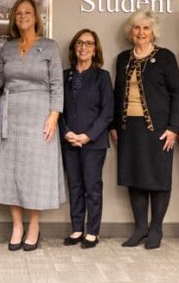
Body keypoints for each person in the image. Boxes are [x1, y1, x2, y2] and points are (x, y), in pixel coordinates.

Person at [0, 0, 65, 251]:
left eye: (28, 12)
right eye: (19, 12)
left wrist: (54, 115)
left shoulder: (49, 46)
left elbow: (57, 84)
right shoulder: (8, 49)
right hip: (10, 114)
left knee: (35, 171)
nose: (23, 16)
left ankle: (34, 225)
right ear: (14, 18)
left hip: (40, 115)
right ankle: (17, 225)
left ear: (36, 16)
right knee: (11, 171)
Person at [110, 9, 179, 249]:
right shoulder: (123, 59)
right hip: (128, 128)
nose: (141, 32)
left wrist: (173, 127)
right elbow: (116, 94)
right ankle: (140, 227)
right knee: (135, 177)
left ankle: (156, 229)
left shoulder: (165, 57)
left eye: (146, 28)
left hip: (158, 129)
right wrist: (113, 125)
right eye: (137, 28)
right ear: (130, 32)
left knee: (158, 178)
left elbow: (178, 93)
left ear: (153, 32)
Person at [59, 29, 113, 249]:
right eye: (80, 43)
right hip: (69, 140)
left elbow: (107, 112)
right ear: (74, 48)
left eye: (89, 44)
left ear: (95, 49)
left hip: (94, 142)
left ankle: (92, 232)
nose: (84, 47)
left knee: (92, 186)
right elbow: (57, 108)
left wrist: (88, 136)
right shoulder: (65, 76)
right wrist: (66, 132)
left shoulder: (102, 76)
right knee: (74, 186)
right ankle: (77, 229)